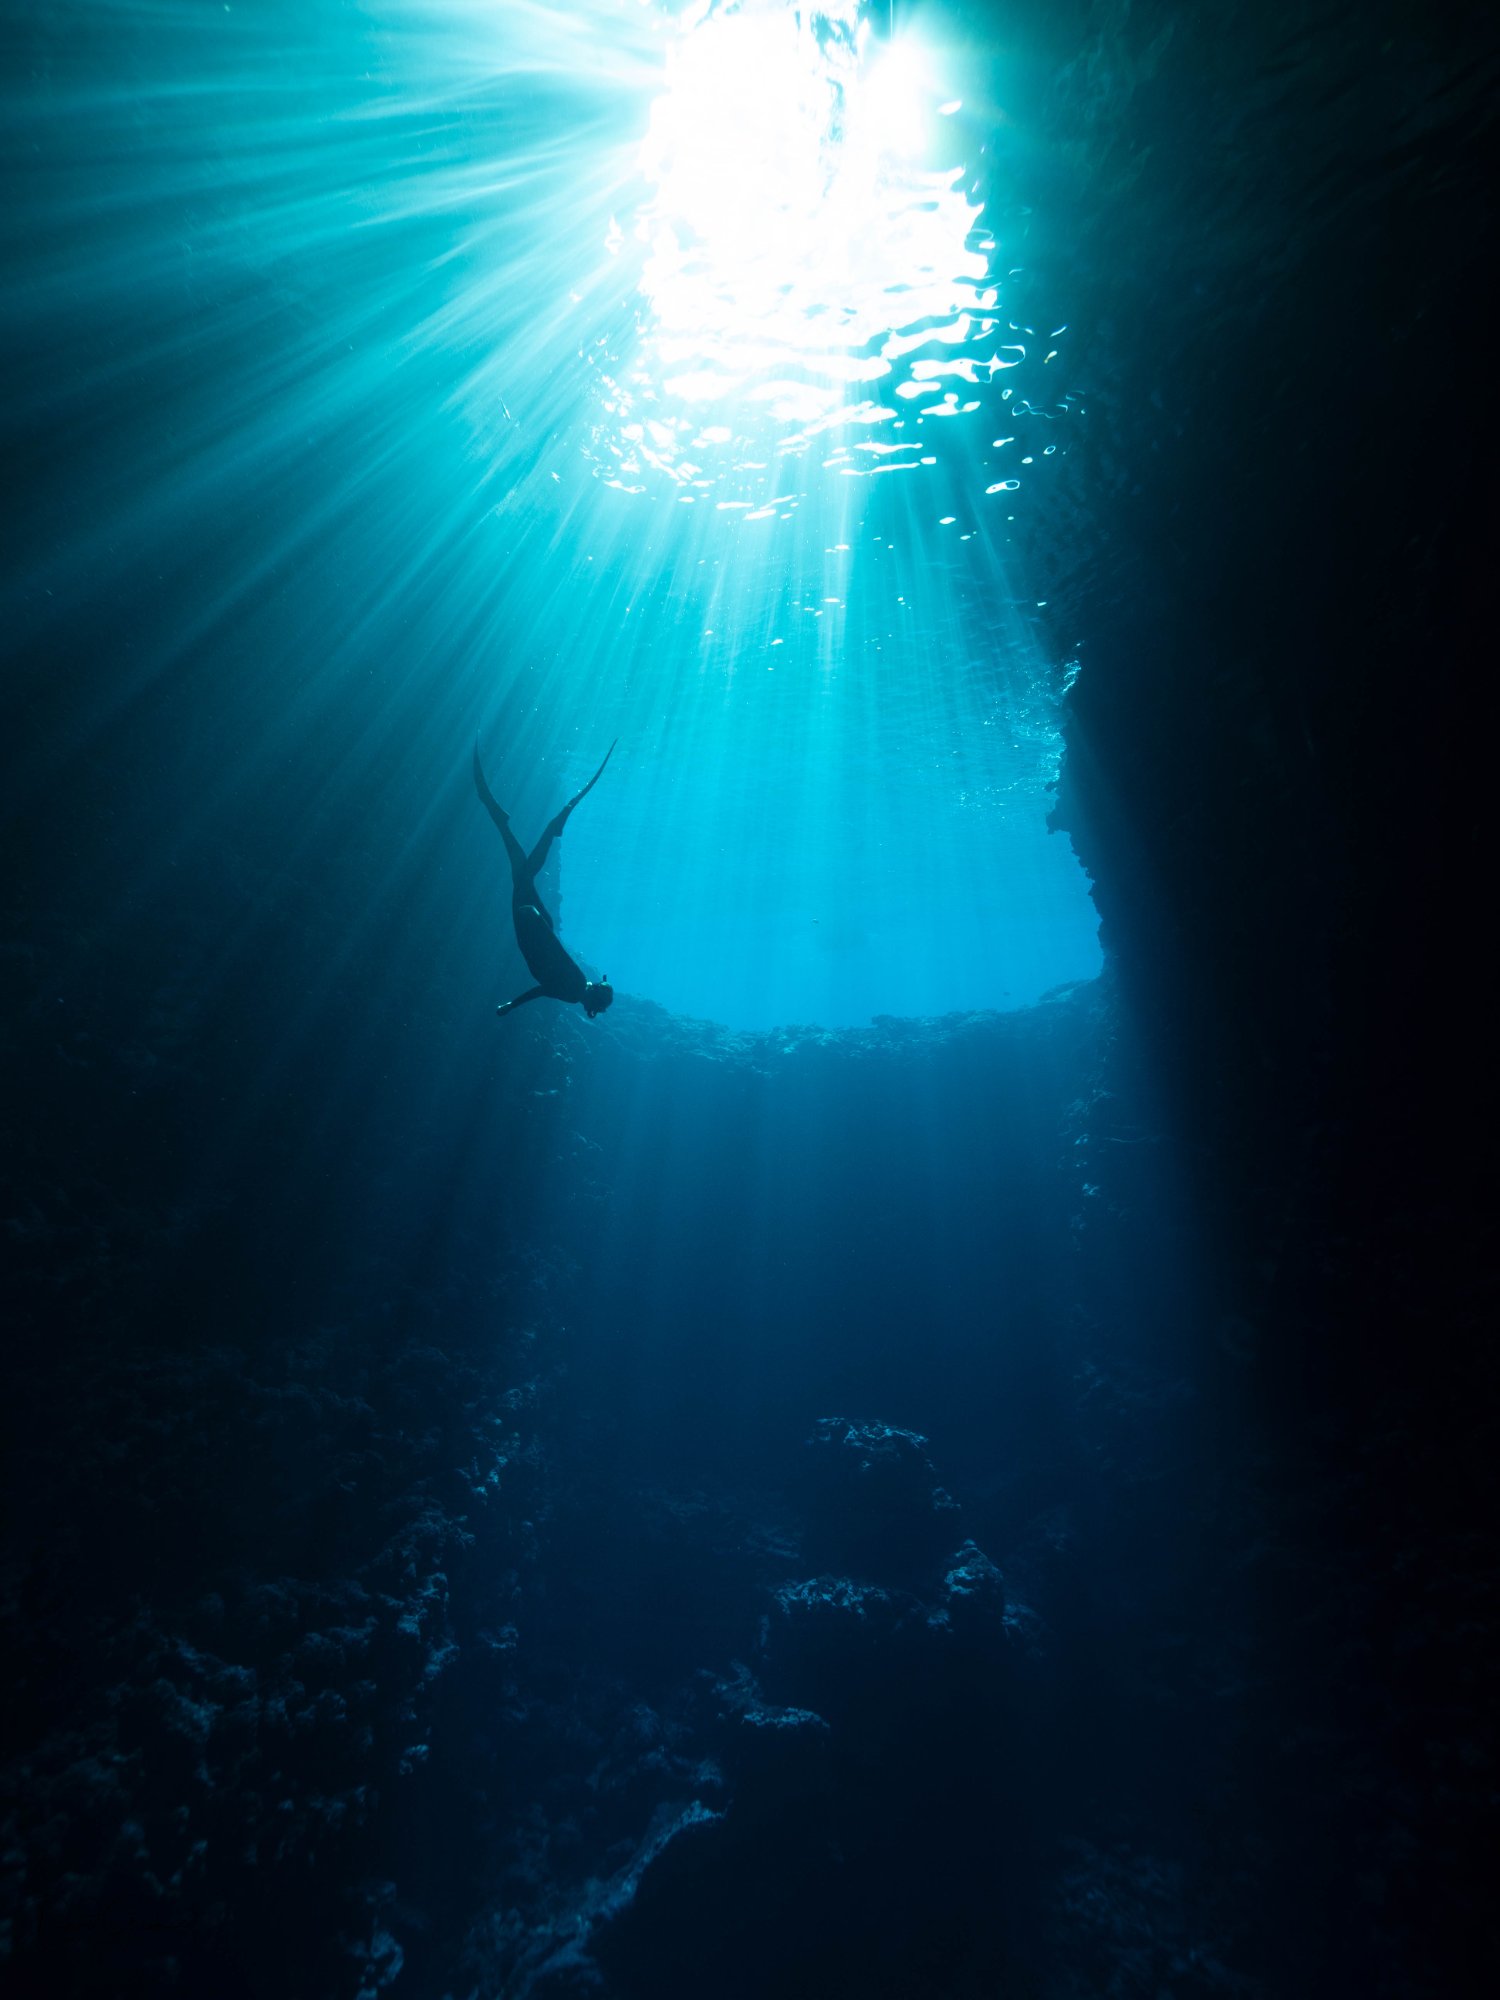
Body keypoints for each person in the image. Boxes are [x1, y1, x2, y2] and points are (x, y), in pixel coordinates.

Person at [474, 738, 616, 1019]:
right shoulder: (575, 990)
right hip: (532, 926)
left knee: (522, 873)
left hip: (533, 927)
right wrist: (534, 918)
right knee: (522, 875)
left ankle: (546, 824)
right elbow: (554, 953)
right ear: (594, 1004)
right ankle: (532, 822)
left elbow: (541, 989)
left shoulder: (574, 993)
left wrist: (511, 1006)